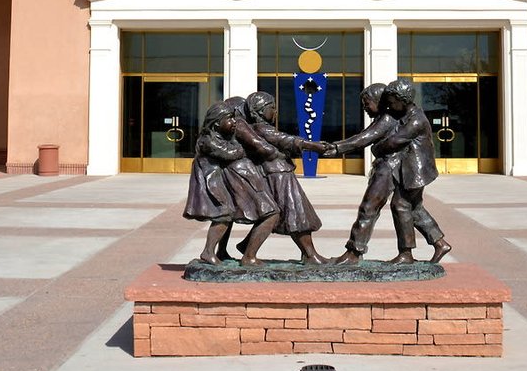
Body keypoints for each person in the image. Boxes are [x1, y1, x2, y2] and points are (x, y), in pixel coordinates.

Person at [325, 83, 451, 265]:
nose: (364, 107)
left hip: (403, 169)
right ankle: (439, 243)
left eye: (367, 103)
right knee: (413, 209)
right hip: (403, 169)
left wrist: (338, 148)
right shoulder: (398, 115)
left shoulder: (401, 119)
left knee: (377, 207)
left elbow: (372, 139)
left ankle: (359, 253)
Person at [182, 99, 280, 266]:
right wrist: (243, 148)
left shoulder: (222, 137)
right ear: (215, 124)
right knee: (223, 215)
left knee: (227, 215)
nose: (234, 122)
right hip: (211, 184)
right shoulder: (208, 140)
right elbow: (231, 153)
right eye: (229, 119)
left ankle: (220, 251)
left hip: (219, 181)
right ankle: (209, 252)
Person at [239, 91, 331, 264]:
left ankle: (249, 248)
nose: (275, 112)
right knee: (297, 214)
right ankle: (310, 255)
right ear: (259, 111)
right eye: (271, 108)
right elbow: (285, 140)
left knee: (290, 215)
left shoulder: (260, 129)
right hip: (279, 176)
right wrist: (312, 145)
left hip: (279, 174)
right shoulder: (261, 129)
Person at [369, 78, 449, 264]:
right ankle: (440, 243)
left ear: (402, 100)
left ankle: (406, 253)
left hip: (416, 171)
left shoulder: (416, 121)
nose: (388, 106)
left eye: (391, 102)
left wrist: (376, 149)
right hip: (411, 170)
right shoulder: (408, 116)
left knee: (401, 205)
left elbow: (394, 141)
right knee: (415, 208)